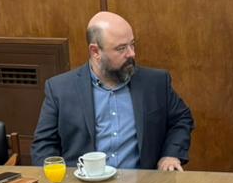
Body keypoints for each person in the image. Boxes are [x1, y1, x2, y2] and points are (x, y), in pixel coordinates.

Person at [31, 12, 195, 171]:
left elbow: (181, 119)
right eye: (121, 48)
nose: (132, 53)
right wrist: (58, 182)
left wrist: (171, 155)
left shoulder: (155, 83)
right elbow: (44, 145)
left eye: (132, 44)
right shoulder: (60, 89)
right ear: (95, 52)